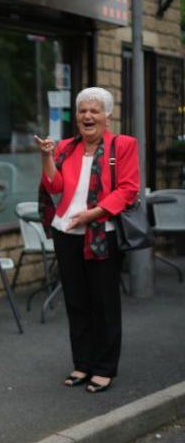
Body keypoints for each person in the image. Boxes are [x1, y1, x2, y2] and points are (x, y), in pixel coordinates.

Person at [35, 87, 139, 394]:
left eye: (94, 110)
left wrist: (92, 214)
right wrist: (46, 157)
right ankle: (82, 363)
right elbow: (53, 184)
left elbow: (128, 189)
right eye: (82, 111)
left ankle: (104, 368)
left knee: (104, 303)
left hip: (101, 233)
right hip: (66, 232)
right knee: (76, 302)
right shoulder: (66, 147)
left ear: (107, 116)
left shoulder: (123, 145)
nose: (87, 116)